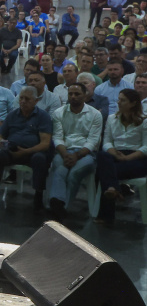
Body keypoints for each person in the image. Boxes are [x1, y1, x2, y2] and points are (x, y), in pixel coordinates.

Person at [0, 86, 53, 210]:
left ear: (36, 101)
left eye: (27, 99)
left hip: (32, 152)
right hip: (13, 150)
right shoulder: (12, 115)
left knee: (40, 159)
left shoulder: (42, 116)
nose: (23, 101)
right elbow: (1, 136)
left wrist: (26, 151)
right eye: (21, 98)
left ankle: (38, 198)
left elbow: (45, 143)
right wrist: (0, 141)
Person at [47, 83, 103, 219]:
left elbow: (93, 141)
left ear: (85, 95)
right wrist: (66, 154)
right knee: (60, 169)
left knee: (73, 174)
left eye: (77, 94)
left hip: (86, 153)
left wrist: (77, 155)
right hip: (64, 151)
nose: (73, 97)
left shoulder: (95, 114)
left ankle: (61, 207)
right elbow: (58, 138)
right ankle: (58, 205)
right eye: (70, 94)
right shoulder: (59, 113)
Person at [95, 89, 147, 224]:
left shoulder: (144, 121)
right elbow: (106, 141)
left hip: (136, 157)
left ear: (133, 103)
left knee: (105, 172)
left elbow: (146, 147)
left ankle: (107, 212)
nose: (118, 102)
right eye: (118, 99)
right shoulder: (112, 119)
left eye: (122, 100)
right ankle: (114, 189)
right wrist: (114, 153)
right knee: (102, 155)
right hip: (115, 155)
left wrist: (127, 158)